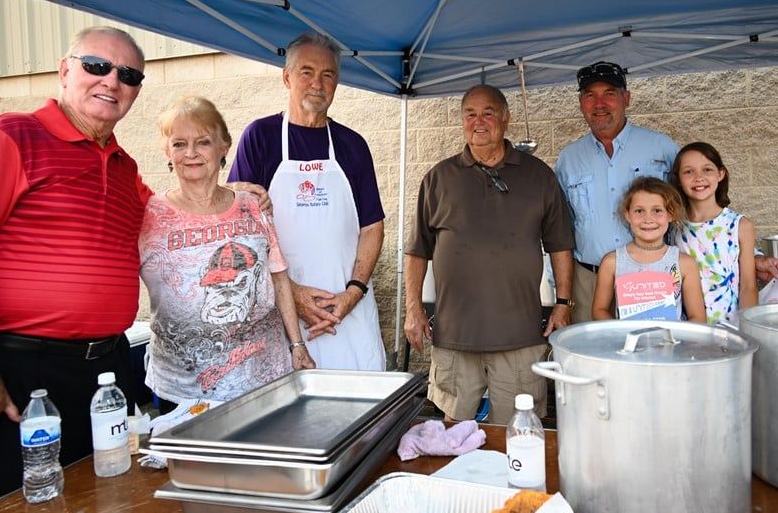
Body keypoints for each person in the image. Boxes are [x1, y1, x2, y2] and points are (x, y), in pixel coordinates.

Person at [0, 27, 150, 513]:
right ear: (65, 71)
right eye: (96, 66)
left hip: (103, 374)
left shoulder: (125, 167)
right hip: (15, 370)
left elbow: (181, 220)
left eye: (127, 74)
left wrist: (241, 199)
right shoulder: (9, 136)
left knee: (91, 509)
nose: (111, 81)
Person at [556, 61, 778, 323]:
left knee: (657, 357)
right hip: (591, 282)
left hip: (659, 279)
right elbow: (560, 229)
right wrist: (562, 296)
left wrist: (750, 257)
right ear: (580, 102)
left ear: (626, 98)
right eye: (589, 95)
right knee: (598, 360)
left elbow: (698, 207)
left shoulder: (661, 147)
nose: (599, 104)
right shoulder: (568, 159)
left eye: (609, 93)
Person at [404, 84, 575, 426]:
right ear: (462, 120)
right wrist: (413, 309)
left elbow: (560, 245)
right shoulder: (438, 179)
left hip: (519, 335)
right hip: (455, 334)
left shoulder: (539, 176)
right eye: (470, 114)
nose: (478, 122)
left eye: (488, 113)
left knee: (515, 431)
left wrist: (563, 303)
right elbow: (417, 250)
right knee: (453, 432)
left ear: (506, 118)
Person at [139, 96, 316, 409]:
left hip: (264, 381)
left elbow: (278, 277)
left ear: (224, 147)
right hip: (185, 392)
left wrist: (297, 345)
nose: (191, 153)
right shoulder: (148, 215)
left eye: (203, 142)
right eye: (179, 144)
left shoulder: (252, 205)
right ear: (168, 152)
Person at [228, 33, 386, 371]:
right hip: (284, 316)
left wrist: (352, 293)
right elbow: (237, 229)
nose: (317, 83)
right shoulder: (261, 137)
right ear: (287, 77)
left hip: (349, 314)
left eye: (327, 74)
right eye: (306, 72)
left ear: (337, 82)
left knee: (362, 412)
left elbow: (372, 227)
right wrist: (292, 294)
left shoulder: (353, 145)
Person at [591, 178, 706, 322]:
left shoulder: (684, 263)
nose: (648, 219)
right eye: (639, 211)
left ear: (671, 214)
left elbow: (698, 318)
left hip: (672, 343)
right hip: (626, 344)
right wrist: (621, 334)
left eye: (657, 211)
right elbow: (598, 310)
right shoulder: (612, 262)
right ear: (627, 215)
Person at [671, 142, 758, 324]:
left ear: (721, 174)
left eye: (707, 169)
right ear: (678, 179)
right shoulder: (673, 227)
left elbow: (748, 286)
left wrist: (748, 331)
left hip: (730, 329)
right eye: (688, 171)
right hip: (687, 331)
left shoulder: (740, 225)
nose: (698, 177)